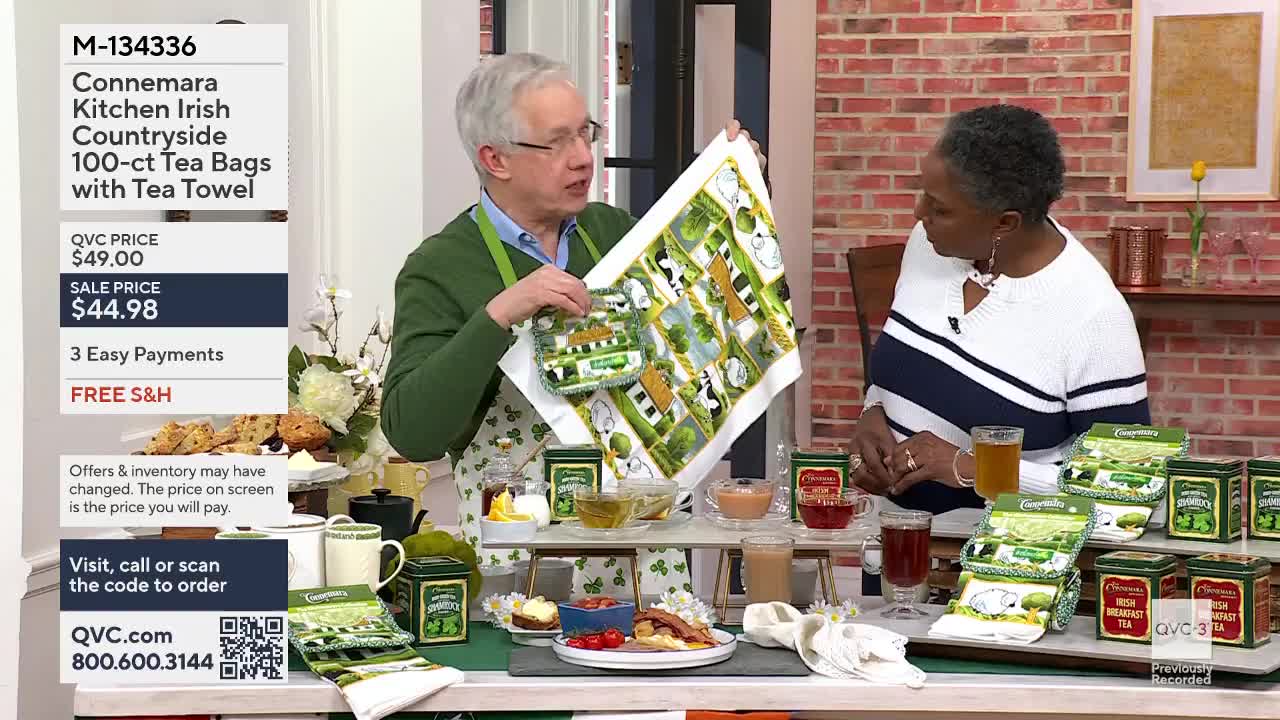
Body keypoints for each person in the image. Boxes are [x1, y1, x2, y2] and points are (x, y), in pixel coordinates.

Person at [381, 52, 765, 598]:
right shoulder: (440, 266)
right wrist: (499, 315)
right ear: (496, 158)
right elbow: (412, 433)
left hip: (642, 557)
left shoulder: (612, 236)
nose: (583, 158)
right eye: (557, 142)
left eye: (586, 134)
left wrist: (731, 186)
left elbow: (712, 321)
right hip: (518, 566)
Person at [849, 104, 1150, 516]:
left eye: (940, 209)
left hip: (1006, 565)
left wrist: (968, 467)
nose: (920, 214)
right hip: (897, 546)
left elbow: (1128, 492)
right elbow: (907, 370)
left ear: (1004, 224)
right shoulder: (927, 246)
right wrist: (873, 413)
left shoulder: (1092, 316)